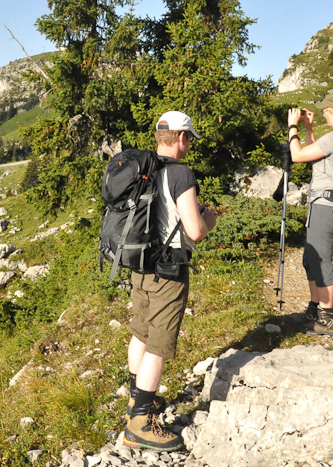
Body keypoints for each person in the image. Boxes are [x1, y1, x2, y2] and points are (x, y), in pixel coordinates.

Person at [124, 110, 218, 452]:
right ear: (180, 137)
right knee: (159, 345)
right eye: (189, 138)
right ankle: (140, 423)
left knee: (141, 331)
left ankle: (136, 397)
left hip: (140, 265)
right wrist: (210, 218)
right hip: (168, 270)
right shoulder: (180, 173)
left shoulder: (143, 168)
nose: (189, 144)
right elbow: (195, 231)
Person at [287, 93, 333, 336]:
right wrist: (309, 128)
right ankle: (315, 309)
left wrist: (293, 126)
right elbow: (315, 154)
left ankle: (327, 319)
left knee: (321, 261)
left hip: (327, 207)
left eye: (325, 110)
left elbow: (298, 156)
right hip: (328, 205)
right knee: (311, 259)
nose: (323, 114)